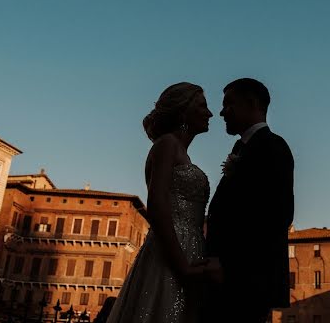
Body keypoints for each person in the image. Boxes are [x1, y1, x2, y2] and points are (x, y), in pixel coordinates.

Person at [106, 82, 213, 323]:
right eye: (202, 106)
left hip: (190, 248)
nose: (210, 113)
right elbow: (157, 205)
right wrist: (183, 266)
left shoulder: (179, 151)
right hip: (173, 251)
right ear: (183, 111)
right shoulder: (167, 145)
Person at [202, 78, 295, 323]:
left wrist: (228, 268)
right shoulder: (242, 148)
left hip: (245, 282)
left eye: (228, 104)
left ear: (252, 103)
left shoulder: (273, 146)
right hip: (230, 282)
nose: (222, 112)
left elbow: (278, 215)